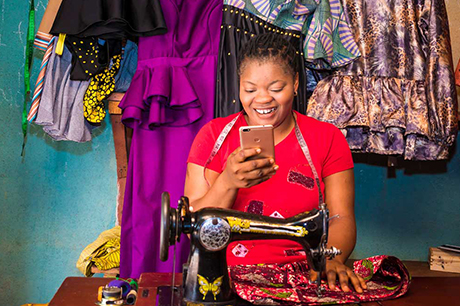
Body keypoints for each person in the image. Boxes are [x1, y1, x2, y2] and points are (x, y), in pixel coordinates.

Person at [185, 33, 366, 293]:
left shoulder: (327, 139)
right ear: (239, 86)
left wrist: (331, 259)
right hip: (224, 279)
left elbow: (340, 217)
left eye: (276, 88)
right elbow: (192, 224)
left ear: (294, 84)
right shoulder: (213, 136)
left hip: (305, 276)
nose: (262, 99)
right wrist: (228, 182)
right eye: (250, 89)